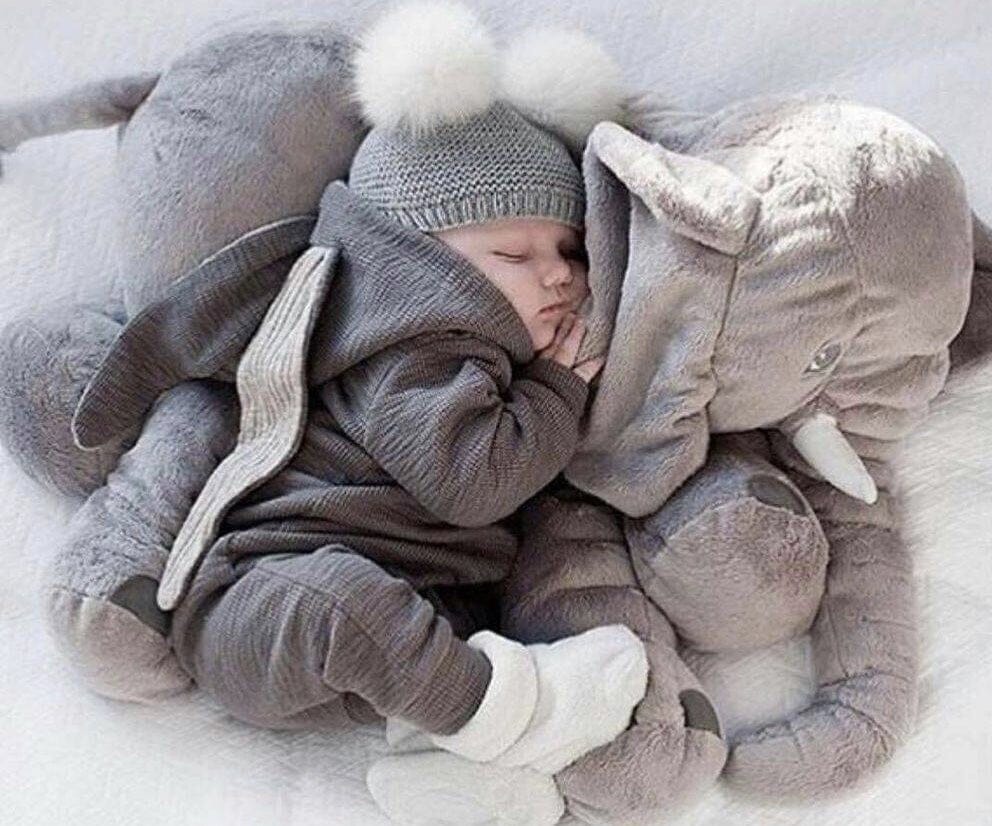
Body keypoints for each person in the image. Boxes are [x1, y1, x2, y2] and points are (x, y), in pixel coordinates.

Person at [161, 0, 648, 778]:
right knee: (346, 600)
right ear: (421, 265)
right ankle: (510, 722)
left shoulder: (481, 352)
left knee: (393, 627)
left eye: (568, 249)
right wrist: (556, 394)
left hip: (413, 616)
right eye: (514, 254)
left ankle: (452, 778)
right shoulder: (403, 347)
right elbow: (472, 481)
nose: (560, 274)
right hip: (262, 600)